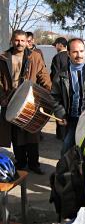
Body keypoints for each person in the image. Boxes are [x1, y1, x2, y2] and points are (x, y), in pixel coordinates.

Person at [0, 30, 51, 174]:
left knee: (32, 134)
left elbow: (43, 75)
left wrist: (47, 92)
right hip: (10, 101)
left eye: (23, 41)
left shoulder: (35, 57)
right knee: (16, 135)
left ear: (27, 41)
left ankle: (34, 164)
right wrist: (2, 97)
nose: (20, 43)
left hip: (29, 100)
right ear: (12, 40)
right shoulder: (3, 57)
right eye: (17, 40)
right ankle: (21, 163)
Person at [50, 37, 69, 140]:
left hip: (60, 90)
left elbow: (54, 75)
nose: (55, 47)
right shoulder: (71, 55)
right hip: (71, 90)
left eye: (55, 45)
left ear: (60, 45)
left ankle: (62, 136)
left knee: (60, 113)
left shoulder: (57, 57)